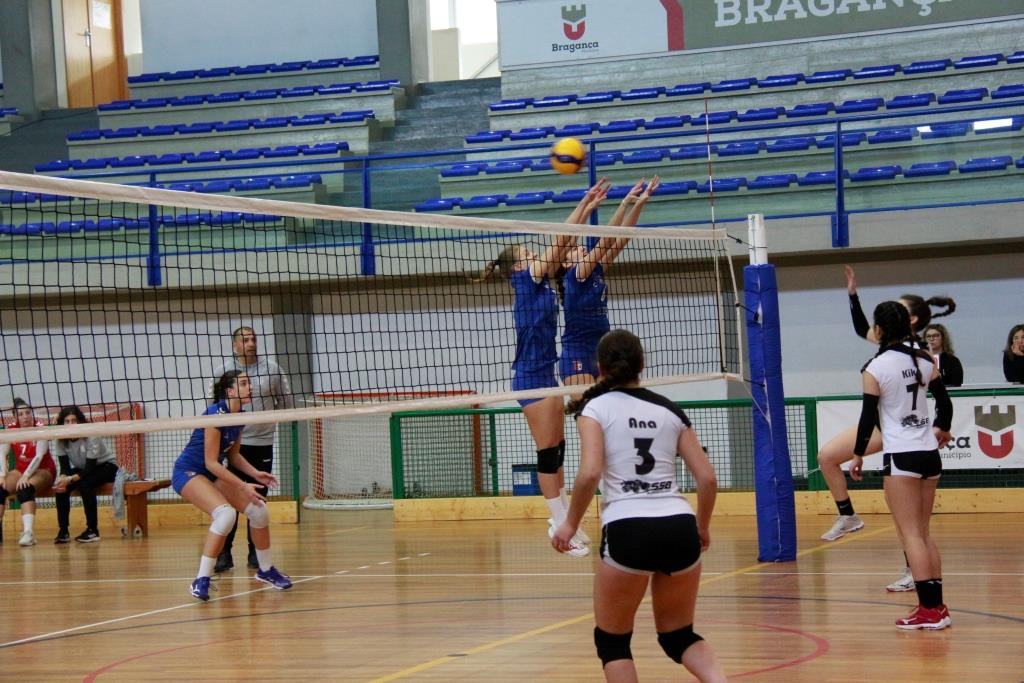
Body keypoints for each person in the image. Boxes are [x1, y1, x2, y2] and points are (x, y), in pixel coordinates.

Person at [552, 330, 725, 682]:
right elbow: (707, 478)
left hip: (628, 527)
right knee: (678, 636)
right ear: (641, 365)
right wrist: (702, 527)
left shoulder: (594, 407)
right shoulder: (669, 409)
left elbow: (589, 473)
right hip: (679, 525)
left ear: (599, 368)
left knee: (613, 643)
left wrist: (568, 524)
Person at [476, 179, 611, 557]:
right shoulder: (527, 279)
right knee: (548, 452)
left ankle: (567, 519)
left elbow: (565, 245)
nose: (536, 255)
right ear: (518, 265)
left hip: (546, 373)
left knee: (558, 450)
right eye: (528, 252)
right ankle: (557, 523)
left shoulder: (542, 284)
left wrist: (587, 210)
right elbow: (561, 241)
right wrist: (584, 203)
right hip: (530, 377)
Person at [818, 266, 955, 592]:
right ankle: (848, 515)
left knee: (909, 525)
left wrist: (942, 426)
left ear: (908, 320)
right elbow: (861, 327)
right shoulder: (896, 349)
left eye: (898, 305)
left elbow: (942, 398)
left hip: (898, 435)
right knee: (826, 456)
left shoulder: (910, 355)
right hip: (890, 428)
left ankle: (915, 572)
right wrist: (853, 295)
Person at [849, 301, 953, 629]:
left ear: (878, 330)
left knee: (911, 536)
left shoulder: (875, 367)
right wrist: (943, 429)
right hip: (928, 454)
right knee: (922, 533)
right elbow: (945, 403)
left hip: (902, 455)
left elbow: (867, 418)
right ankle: (937, 607)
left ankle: (929, 611)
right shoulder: (923, 360)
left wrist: (857, 454)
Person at [172, 370, 292, 601]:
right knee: (226, 516)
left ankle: (266, 570)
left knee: (259, 511)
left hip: (210, 472)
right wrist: (243, 485)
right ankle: (201, 579)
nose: (250, 387)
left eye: (249, 382)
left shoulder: (240, 415)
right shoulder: (215, 415)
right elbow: (210, 462)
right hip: (189, 472)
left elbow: (234, 457)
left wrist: (256, 474)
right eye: (244, 383)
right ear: (230, 391)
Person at [558, 177, 660, 397]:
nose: (581, 249)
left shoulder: (596, 269)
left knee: (609, 410)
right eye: (575, 249)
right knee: (588, 411)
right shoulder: (575, 274)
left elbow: (621, 239)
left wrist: (640, 202)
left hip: (603, 350)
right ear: (566, 263)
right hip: (577, 354)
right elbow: (605, 241)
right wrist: (623, 203)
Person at [211, 326, 294, 573]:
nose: (251, 343)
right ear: (235, 345)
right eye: (245, 340)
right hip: (231, 444)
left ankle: (255, 554)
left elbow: (286, 403)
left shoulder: (272, 369)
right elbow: (214, 406)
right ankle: (224, 554)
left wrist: (269, 422)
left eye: (254, 339)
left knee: (257, 500)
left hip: (262, 442)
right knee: (229, 500)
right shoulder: (222, 372)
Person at [51, 405, 119, 543]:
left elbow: (89, 469)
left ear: (80, 421)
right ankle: (63, 531)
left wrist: (70, 478)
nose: (71, 424)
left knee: (86, 484)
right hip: (83, 469)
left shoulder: (91, 435)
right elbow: (64, 467)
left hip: (106, 466)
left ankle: (93, 530)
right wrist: (63, 479)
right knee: (61, 488)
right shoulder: (60, 439)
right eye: (67, 421)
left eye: (74, 421)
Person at [0, 398, 55, 546]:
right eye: (21, 414)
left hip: (44, 469)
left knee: (25, 488)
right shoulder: (11, 429)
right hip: (20, 470)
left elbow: (39, 455)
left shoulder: (40, 427)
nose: (25, 416)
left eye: (28, 413)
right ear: (15, 417)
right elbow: (1, 453)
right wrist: (2, 475)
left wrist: (25, 476)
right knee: (0, 488)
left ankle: (29, 533)